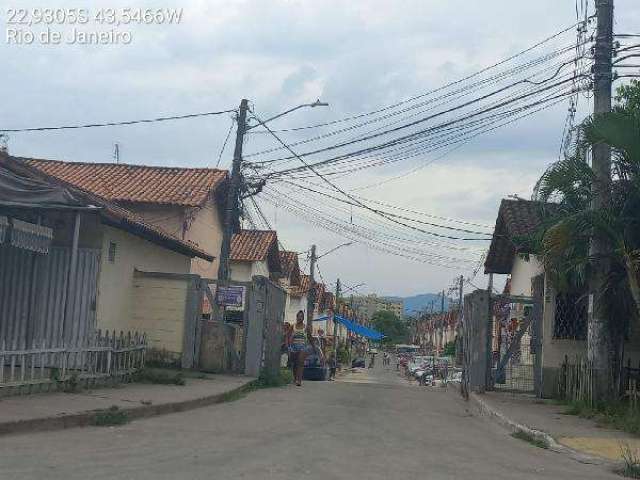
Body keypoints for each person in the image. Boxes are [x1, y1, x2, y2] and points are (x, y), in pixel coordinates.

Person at [288, 310, 308, 386]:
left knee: (300, 362)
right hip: (293, 347)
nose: (299, 318)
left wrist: (313, 347)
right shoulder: (293, 326)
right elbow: (288, 336)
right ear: (296, 317)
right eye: (298, 316)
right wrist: (288, 346)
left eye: (301, 316)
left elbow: (309, 337)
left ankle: (299, 380)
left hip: (303, 347)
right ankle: (295, 378)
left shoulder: (306, 327)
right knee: (295, 364)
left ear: (303, 318)